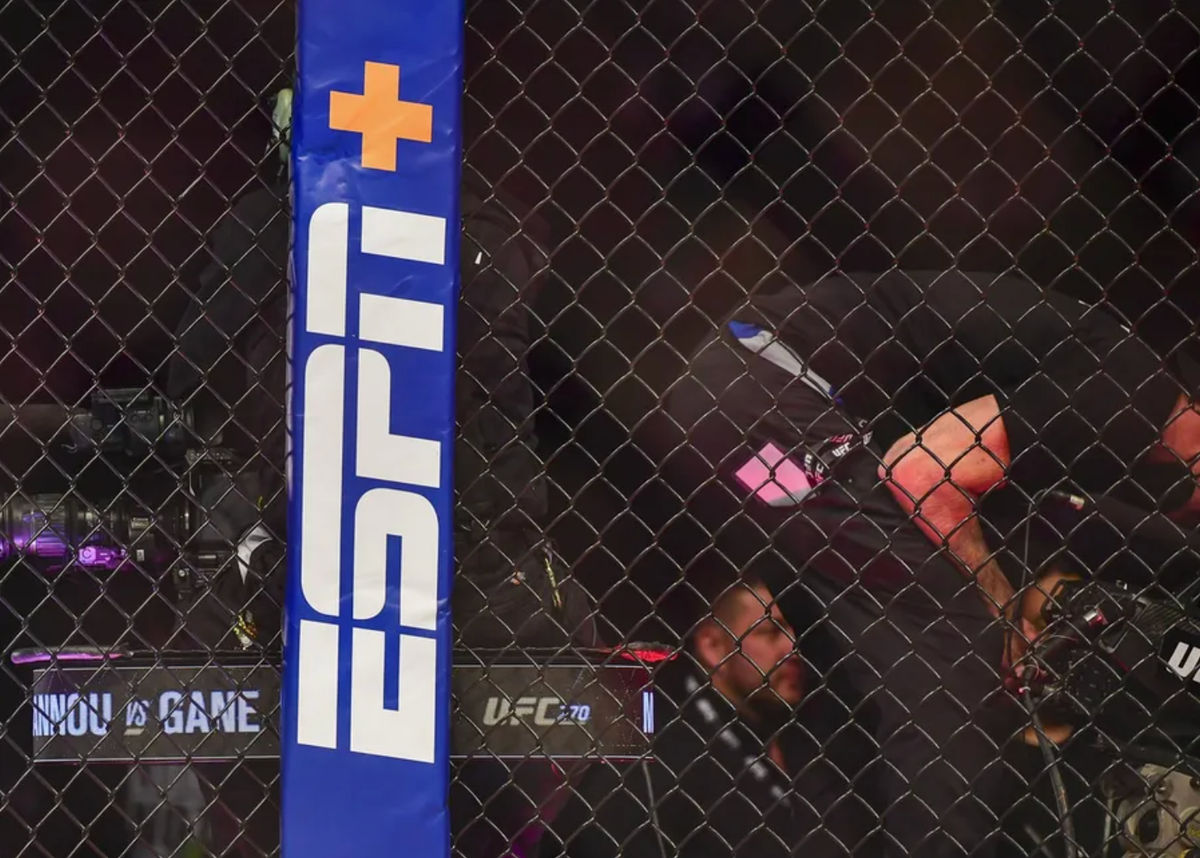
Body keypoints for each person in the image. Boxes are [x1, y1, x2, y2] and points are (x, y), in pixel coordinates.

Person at [661, 269, 1200, 856]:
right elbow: (920, 474)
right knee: (960, 652)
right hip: (764, 388)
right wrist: (1000, 611)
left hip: (741, 409)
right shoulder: (1129, 388)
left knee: (843, 681)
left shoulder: (1117, 408)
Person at [539, 574, 840, 858]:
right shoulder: (668, 748)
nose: (792, 647)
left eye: (795, 631)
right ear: (713, 646)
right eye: (770, 632)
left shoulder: (800, 740)